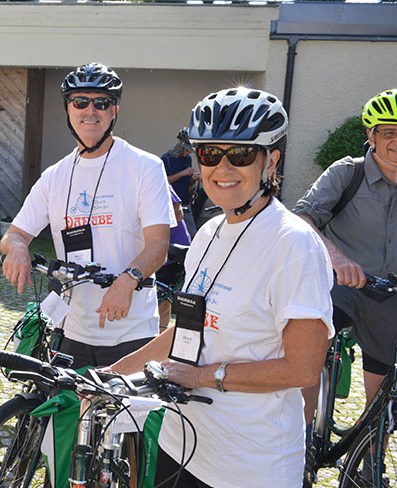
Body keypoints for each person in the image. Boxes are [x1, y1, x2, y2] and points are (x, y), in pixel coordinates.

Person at [107, 87, 334, 488]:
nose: (223, 168)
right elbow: (189, 330)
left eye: (241, 155)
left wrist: (202, 376)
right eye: (211, 154)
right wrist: (112, 374)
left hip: (250, 464)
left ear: (271, 160)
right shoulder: (210, 231)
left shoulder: (292, 244)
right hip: (181, 445)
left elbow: (303, 367)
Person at [0, 62, 174, 370]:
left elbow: (158, 244)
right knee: (65, 416)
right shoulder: (55, 176)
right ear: (68, 109)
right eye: (80, 102)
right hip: (73, 330)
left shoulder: (144, 167)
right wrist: (16, 248)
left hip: (130, 331)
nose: (89, 111)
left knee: (120, 419)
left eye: (101, 102)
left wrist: (128, 279)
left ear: (114, 111)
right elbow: (15, 233)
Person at [293, 89, 397, 439]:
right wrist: (338, 259)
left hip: (391, 296)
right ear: (370, 136)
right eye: (389, 132)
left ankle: (371, 465)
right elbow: (302, 219)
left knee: (383, 392)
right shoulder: (348, 172)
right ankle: (300, 445)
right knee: (310, 357)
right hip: (340, 288)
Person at [157, 185, 191, 332]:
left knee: (160, 297)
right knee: (162, 296)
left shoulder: (159, 180)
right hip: (163, 247)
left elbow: (178, 213)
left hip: (171, 248)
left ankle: (157, 336)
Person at [162, 128, 199, 237]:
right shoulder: (166, 159)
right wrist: (182, 173)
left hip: (185, 202)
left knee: (192, 234)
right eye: (187, 150)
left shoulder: (188, 160)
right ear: (181, 145)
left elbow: (187, 184)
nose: (188, 153)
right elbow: (164, 182)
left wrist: (193, 179)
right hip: (171, 204)